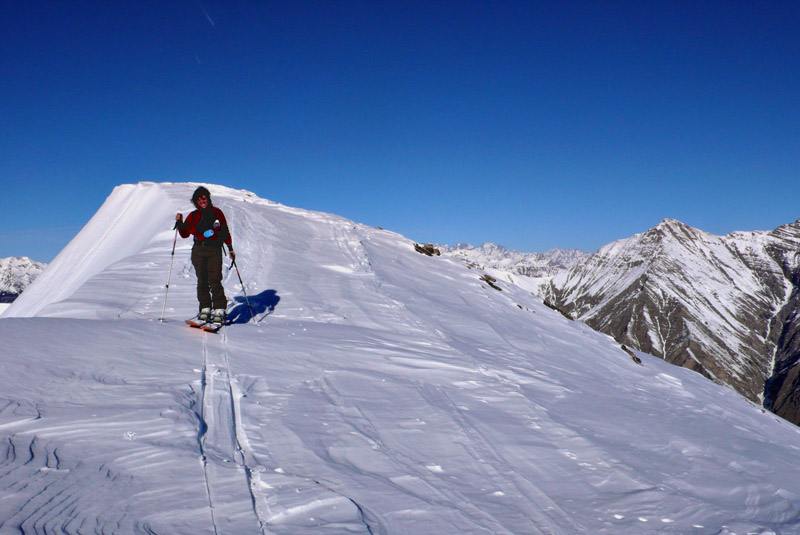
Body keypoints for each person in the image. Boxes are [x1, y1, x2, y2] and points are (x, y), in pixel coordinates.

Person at [176, 186, 235, 324]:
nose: (203, 201)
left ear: (208, 198)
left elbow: (225, 230)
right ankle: (205, 309)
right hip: (198, 250)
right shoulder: (193, 216)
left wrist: (230, 248)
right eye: (199, 199)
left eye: (204, 198)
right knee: (202, 280)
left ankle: (220, 309)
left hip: (214, 249)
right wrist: (179, 222)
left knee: (214, 279)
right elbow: (185, 234)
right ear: (196, 201)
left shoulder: (217, 213)